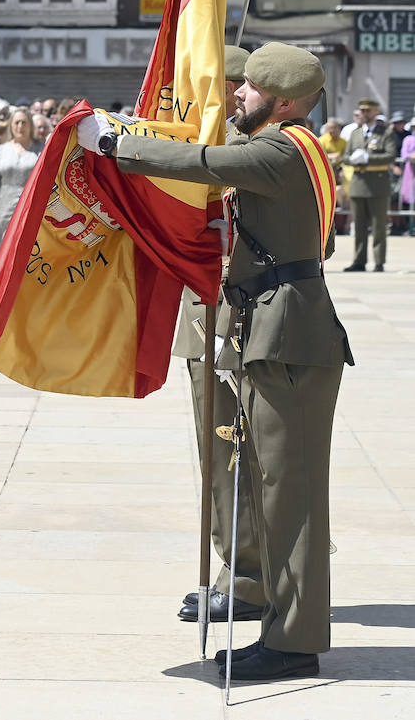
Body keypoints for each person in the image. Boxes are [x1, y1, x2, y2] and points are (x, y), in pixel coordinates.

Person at [82, 41, 353, 681]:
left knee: (292, 495)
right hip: (273, 326)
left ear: (283, 101)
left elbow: (203, 160)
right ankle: (284, 626)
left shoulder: (282, 149)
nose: (236, 94)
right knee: (270, 487)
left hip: (288, 334)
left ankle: (293, 642)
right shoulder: (293, 147)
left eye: (249, 88)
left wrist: (114, 144)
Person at [173, 43, 265, 625]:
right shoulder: (192, 145)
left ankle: (250, 577)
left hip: (239, 314)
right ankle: (233, 564)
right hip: (199, 314)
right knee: (216, 451)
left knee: (241, 451)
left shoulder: (255, 151)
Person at [0, 111, 41, 290]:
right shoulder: (2, 150)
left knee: (29, 244)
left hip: (31, 201)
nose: (20, 127)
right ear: (11, 126)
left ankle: (24, 286)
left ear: (30, 125)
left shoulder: (40, 149)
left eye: (24, 123)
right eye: (16, 123)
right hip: (4, 201)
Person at [342, 103, 400, 272]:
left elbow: (390, 156)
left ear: (376, 112)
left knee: (378, 226)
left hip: (378, 184)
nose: (365, 113)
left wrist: (368, 157)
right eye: (363, 110)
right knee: (359, 226)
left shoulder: (386, 133)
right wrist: (352, 159)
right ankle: (359, 261)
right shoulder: (355, 133)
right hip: (358, 183)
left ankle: (379, 262)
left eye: (368, 110)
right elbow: (345, 157)